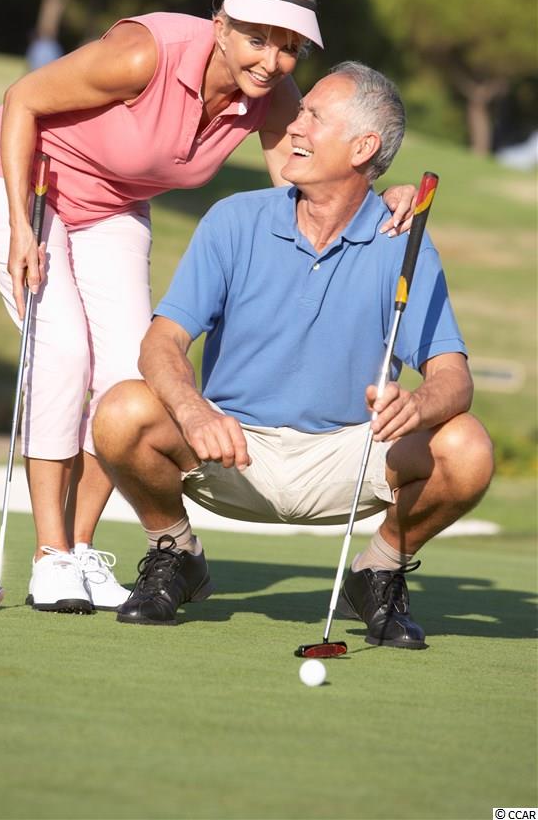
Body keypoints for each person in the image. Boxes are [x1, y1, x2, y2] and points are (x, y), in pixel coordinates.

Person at [0, 0, 417, 616]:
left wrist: (383, 197)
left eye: (289, 47)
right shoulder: (144, 53)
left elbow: (310, 187)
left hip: (114, 205)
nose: (272, 61)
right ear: (220, 25)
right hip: (25, 184)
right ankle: (49, 555)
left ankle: (80, 551)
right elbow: (22, 99)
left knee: (127, 374)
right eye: (257, 39)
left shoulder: (274, 97)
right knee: (62, 351)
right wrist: (16, 227)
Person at [93, 61, 495, 648]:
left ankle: (378, 571)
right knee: (121, 411)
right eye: (300, 112)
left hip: (351, 455)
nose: (294, 127)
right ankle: (174, 554)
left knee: (467, 447)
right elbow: (163, 341)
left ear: (363, 147)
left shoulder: (403, 242)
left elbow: (454, 378)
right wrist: (192, 410)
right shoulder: (235, 219)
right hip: (231, 448)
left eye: (314, 117)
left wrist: (418, 406)